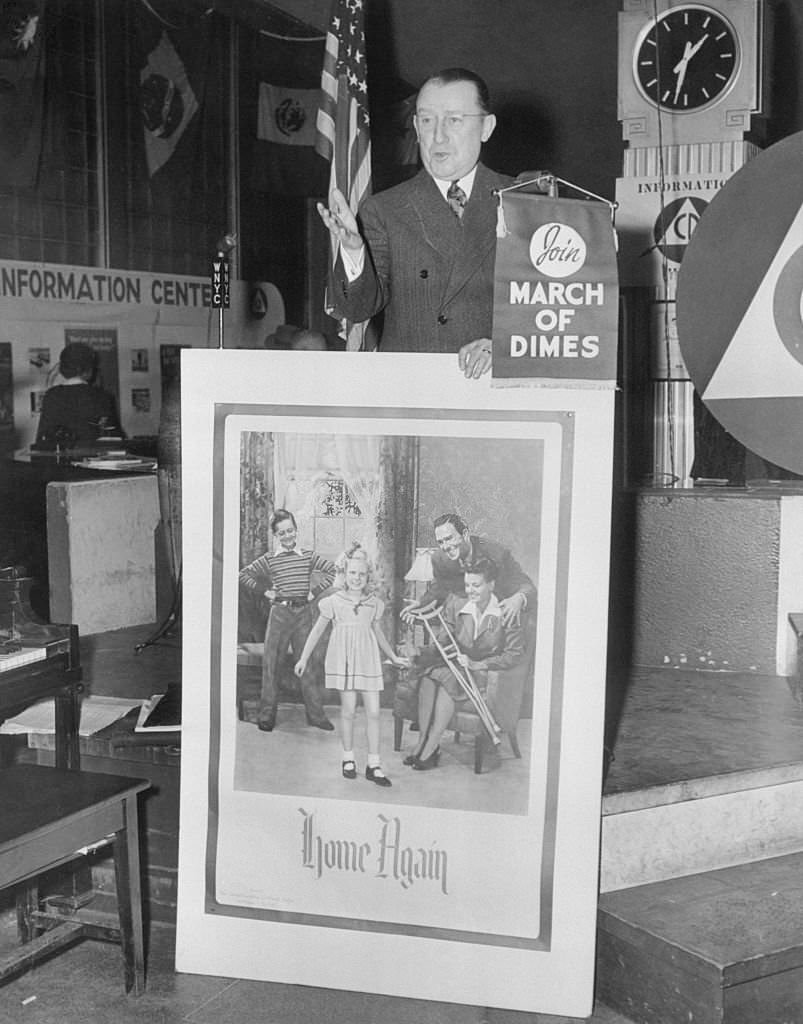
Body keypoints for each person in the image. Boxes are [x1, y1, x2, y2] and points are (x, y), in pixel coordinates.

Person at [317, 67, 513, 378]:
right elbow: (357, 309)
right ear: (416, 127)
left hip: (497, 394)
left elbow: (551, 315)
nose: (438, 135)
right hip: (414, 392)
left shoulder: (524, 202)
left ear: (486, 127)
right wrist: (354, 252)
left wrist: (505, 347)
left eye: (454, 120)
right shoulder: (385, 209)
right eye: (426, 120)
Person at [295, 544, 408, 787]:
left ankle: (374, 765)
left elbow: (378, 634)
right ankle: (348, 758)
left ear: (369, 576)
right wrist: (303, 658)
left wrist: (394, 657)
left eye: (362, 574)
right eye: (352, 573)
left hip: (368, 661)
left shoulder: (374, 603)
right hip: (344, 661)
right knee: (348, 711)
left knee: (375, 713)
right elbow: (316, 631)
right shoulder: (334, 602)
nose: (357, 578)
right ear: (345, 574)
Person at [404, 556, 523, 770]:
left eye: (476, 585)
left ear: (491, 585)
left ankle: (431, 745)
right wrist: (418, 651)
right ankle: (423, 741)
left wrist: (479, 664)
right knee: (430, 675)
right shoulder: (458, 605)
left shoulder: (506, 612)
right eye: (467, 585)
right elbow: (443, 641)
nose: (470, 591)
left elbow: (513, 655)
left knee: (444, 677)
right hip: (458, 666)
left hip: (485, 673)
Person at [238, 509, 337, 732]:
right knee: (271, 664)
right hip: (280, 615)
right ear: (276, 535)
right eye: (282, 533)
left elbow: (332, 570)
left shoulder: (307, 556)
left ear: (296, 530)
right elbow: (244, 575)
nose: (287, 536)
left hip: (303, 614)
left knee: (307, 664)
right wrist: (265, 591)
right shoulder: (270, 559)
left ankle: (316, 715)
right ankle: (267, 715)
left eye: (290, 531)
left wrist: (314, 593)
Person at [405, 512, 536, 628]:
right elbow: (437, 591)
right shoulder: (440, 560)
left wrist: (518, 598)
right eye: (440, 542)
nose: (445, 547)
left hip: (502, 622)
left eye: (449, 538)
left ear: (465, 534)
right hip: (469, 625)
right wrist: (420, 606)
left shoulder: (496, 555)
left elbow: (526, 586)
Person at [35, 342, 123, 450]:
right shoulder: (102, 396)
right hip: (93, 461)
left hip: (60, 462)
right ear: (89, 369)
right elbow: (115, 439)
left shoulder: (52, 395)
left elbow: (42, 439)